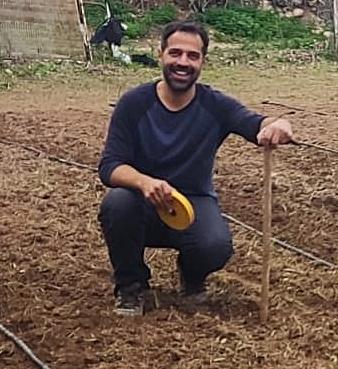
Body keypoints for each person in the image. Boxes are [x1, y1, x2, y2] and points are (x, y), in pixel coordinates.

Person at [98, 18, 294, 316]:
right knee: (117, 204)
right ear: (161, 53)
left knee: (215, 245)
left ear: (203, 61)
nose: (183, 62)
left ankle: (192, 275)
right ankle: (131, 285)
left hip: (194, 202)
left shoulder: (214, 104)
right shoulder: (134, 103)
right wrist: (145, 183)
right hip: (142, 202)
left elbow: (254, 123)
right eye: (175, 53)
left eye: (192, 56)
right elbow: (110, 166)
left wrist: (278, 124)